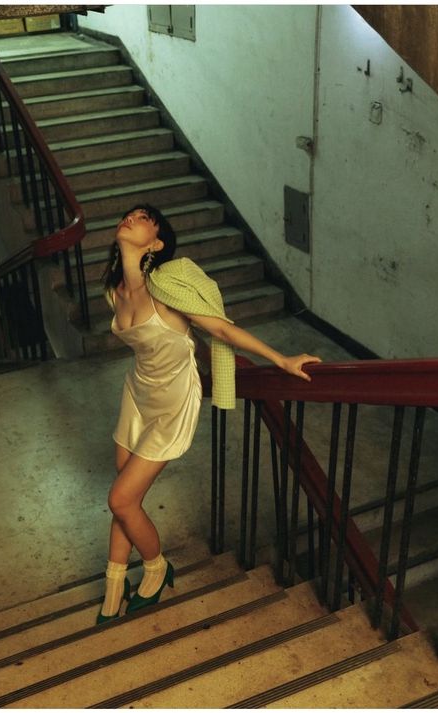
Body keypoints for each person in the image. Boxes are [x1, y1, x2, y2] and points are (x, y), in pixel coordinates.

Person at [97, 203, 321, 624]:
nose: (131, 217)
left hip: (172, 402)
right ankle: (114, 582)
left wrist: (281, 359)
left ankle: (156, 567)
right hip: (138, 393)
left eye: (145, 217)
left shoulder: (165, 289)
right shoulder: (115, 290)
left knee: (120, 498)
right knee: (126, 499)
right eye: (128, 214)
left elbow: (220, 328)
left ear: (157, 242)